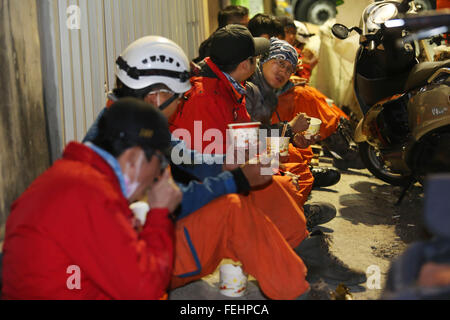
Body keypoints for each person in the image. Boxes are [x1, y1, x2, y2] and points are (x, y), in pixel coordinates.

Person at [87, 35, 338, 299]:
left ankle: (305, 256)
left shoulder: (133, 121)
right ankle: (298, 291)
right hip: (142, 262)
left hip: (155, 235)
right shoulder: (125, 147)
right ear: (156, 97)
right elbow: (173, 203)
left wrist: (230, 166)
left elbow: (188, 158)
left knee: (260, 187)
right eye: (179, 97)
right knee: (233, 209)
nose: (183, 102)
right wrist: (236, 179)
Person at [170, 26, 366, 286]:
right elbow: (212, 166)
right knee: (276, 189)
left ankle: (306, 261)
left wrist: (278, 159)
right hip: (196, 208)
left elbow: (244, 147)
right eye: (257, 58)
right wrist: (272, 170)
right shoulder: (206, 98)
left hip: (217, 183)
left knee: (282, 180)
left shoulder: (229, 88)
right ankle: (303, 268)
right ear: (244, 65)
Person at [1, 98, 182, 299]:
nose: (158, 175)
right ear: (133, 158)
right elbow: (145, 289)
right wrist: (160, 214)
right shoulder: (91, 193)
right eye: (160, 163)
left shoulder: (72, 178)